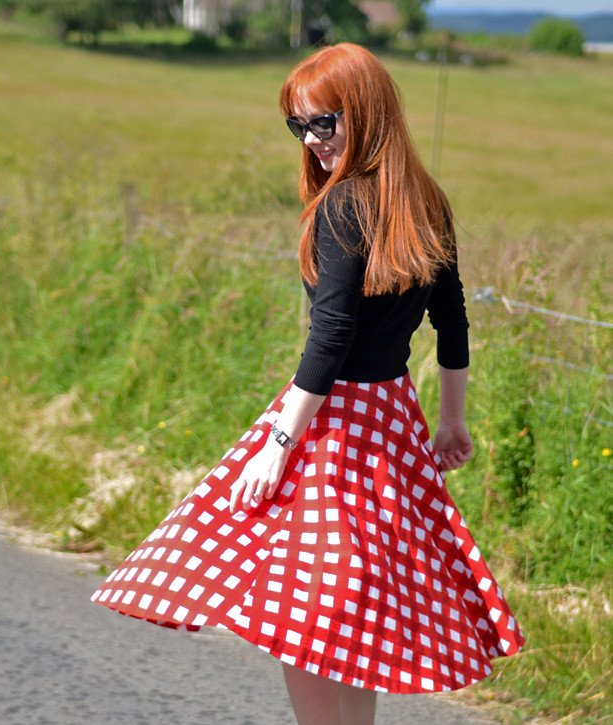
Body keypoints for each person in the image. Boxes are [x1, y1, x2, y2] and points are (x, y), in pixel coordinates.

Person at [91, 43, 524, 724]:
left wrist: (277, 440)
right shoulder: (424, 199)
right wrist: (450, 420)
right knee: (351, 611)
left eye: (325, 122)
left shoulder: (342, 206)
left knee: (308, 610)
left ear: (366, 112)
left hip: (334, 427)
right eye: (298, 126)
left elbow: (331, 336)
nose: (313, 141)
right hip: (393, 420)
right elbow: (452, 324)